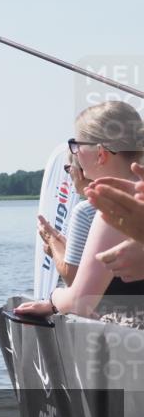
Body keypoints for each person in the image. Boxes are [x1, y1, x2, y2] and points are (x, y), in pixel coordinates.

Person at [15, 101, 144, 320]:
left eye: (76, 144)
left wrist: (53, 298)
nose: (74, 152)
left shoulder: (112, 206)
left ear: (101, 153)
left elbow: (81, 302)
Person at [38, 161, 96, 286]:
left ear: (81, 172)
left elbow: (72, 277)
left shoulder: (85, 211)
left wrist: (52, 242)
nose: (69, 173)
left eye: (68, 168)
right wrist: (63, 245)